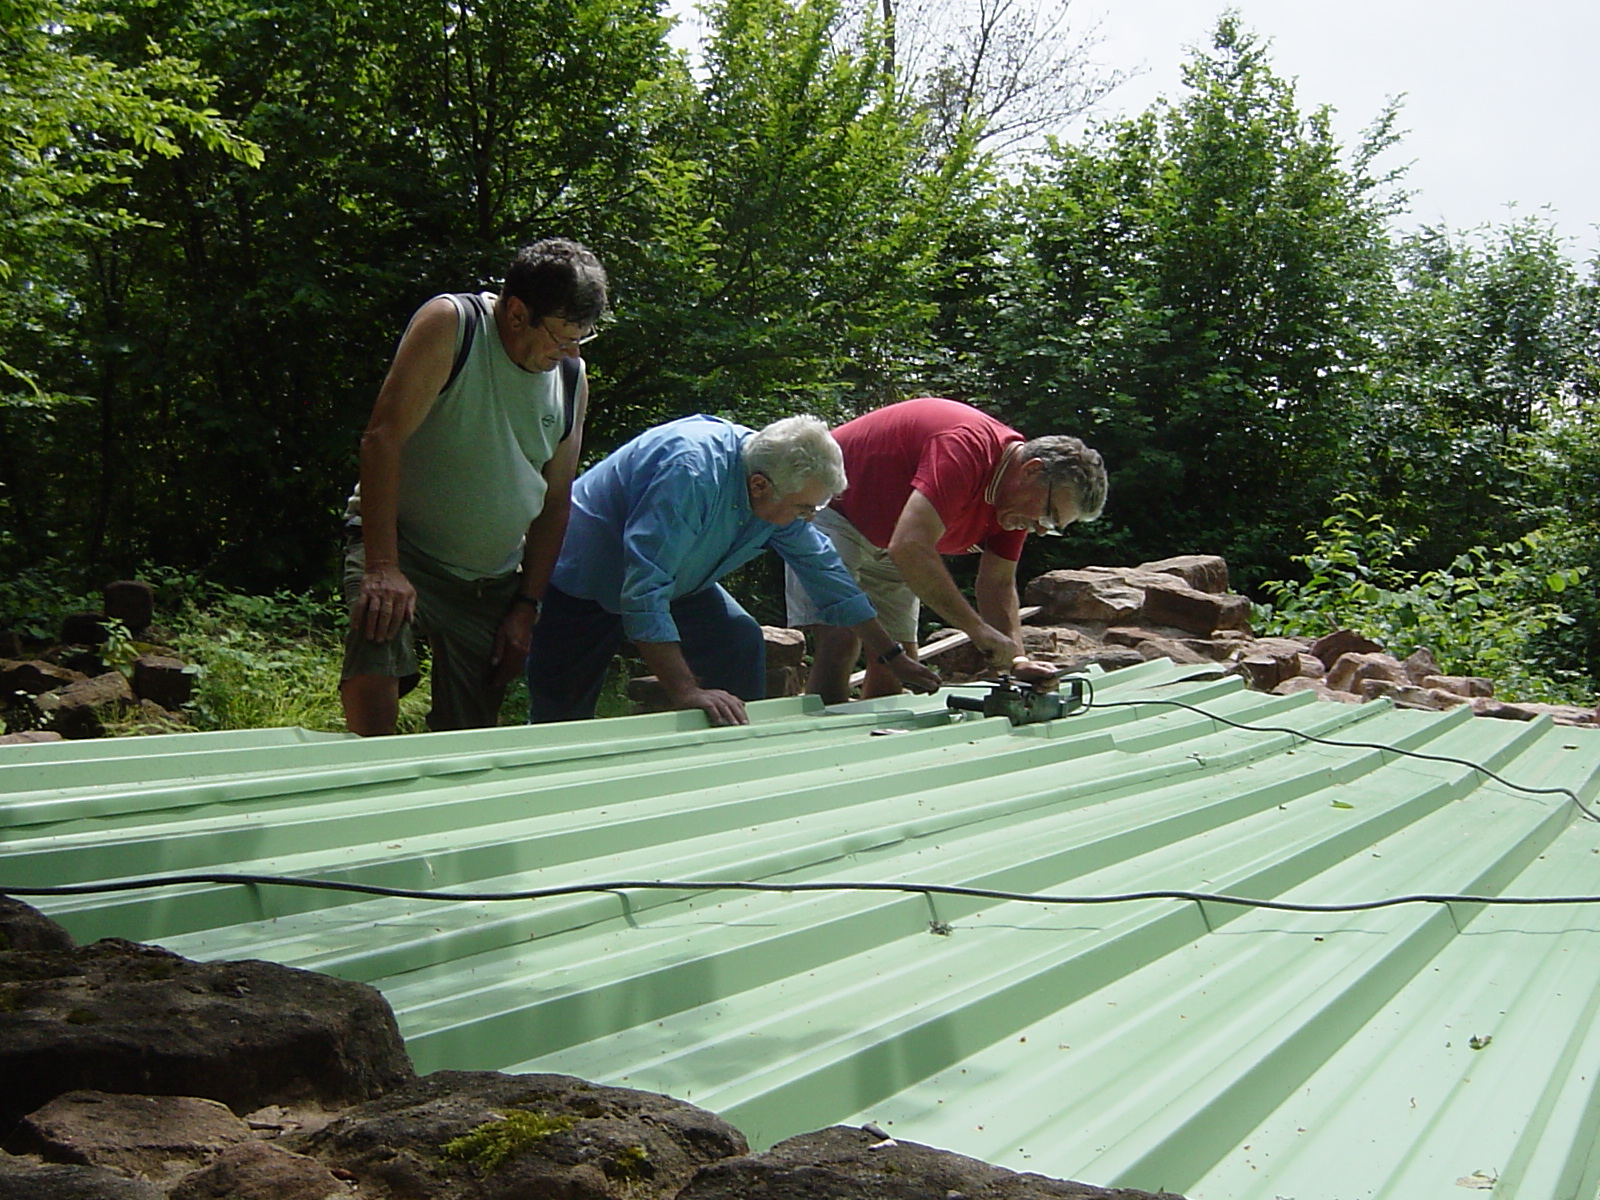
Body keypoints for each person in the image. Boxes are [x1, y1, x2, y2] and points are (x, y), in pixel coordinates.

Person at [339, 238, 608, 735]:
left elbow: (555, 504)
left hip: (491, 581)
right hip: (403, 551)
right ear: (517, 313)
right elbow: (382, 439)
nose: (571, 351)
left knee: (468, 738)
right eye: (562, 335)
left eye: (582, 337)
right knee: (376, 650)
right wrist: (383, 567)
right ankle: (369, 773)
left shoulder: (571, 378)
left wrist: (526, 607)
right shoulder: (454, 325)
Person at [525, 413, 941, 727]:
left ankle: (726, 764)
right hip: (584, 577)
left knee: (738, 642)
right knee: (561, 715)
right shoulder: (688, 475)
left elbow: (829, 576)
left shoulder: (776, 479)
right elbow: (643, 591)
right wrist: (686, 691)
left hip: (678, 580)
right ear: (759, 486)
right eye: (802, 508)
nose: (809, 518)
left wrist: (891, 657)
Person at [788, 396, 1107, 704]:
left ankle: (878, 740)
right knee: (841, 638)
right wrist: (977, 630)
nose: (1040, 528)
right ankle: (821, 737)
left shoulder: (1016, 505)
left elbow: (997, 583)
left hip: (890, 534)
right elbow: (909, 547)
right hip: (828, 504)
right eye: (1048, 515)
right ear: (1031, 470)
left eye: (1053, 526)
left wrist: (1017, 660)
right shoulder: (964, 448)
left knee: (898, 660)